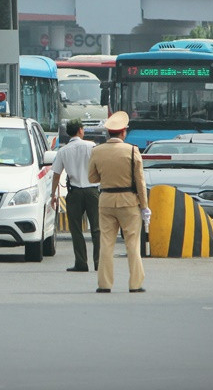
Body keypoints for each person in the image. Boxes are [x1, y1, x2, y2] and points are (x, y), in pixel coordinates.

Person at [87, 110, 148, 293]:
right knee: (132, 243)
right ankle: (135, 284)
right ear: (123, 132)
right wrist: (144, 206)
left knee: (106, 243)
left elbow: (91, 178)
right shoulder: (132, 151)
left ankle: (104, 284)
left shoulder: (97, 151)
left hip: (105, 200)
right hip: (129, 201)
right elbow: (140, 181)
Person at [49, 119, 100, 272]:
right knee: (97, 229)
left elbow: (56, 175)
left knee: (76, 229)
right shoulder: (92, 146)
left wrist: (53, 194)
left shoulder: (63, 151)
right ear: (80, 130)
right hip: (92, 192)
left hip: (75, 193)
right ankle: (99, 263)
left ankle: (81, 262)